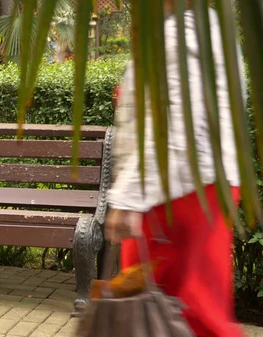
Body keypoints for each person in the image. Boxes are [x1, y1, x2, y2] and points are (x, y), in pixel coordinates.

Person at [105, 2, 245, 337]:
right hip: (198, 189)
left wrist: (129, 197)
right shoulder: (210, 30)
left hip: (175, 195)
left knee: (173, 316)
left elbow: (176, 126)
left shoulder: (182, 36)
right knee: (188, 312)